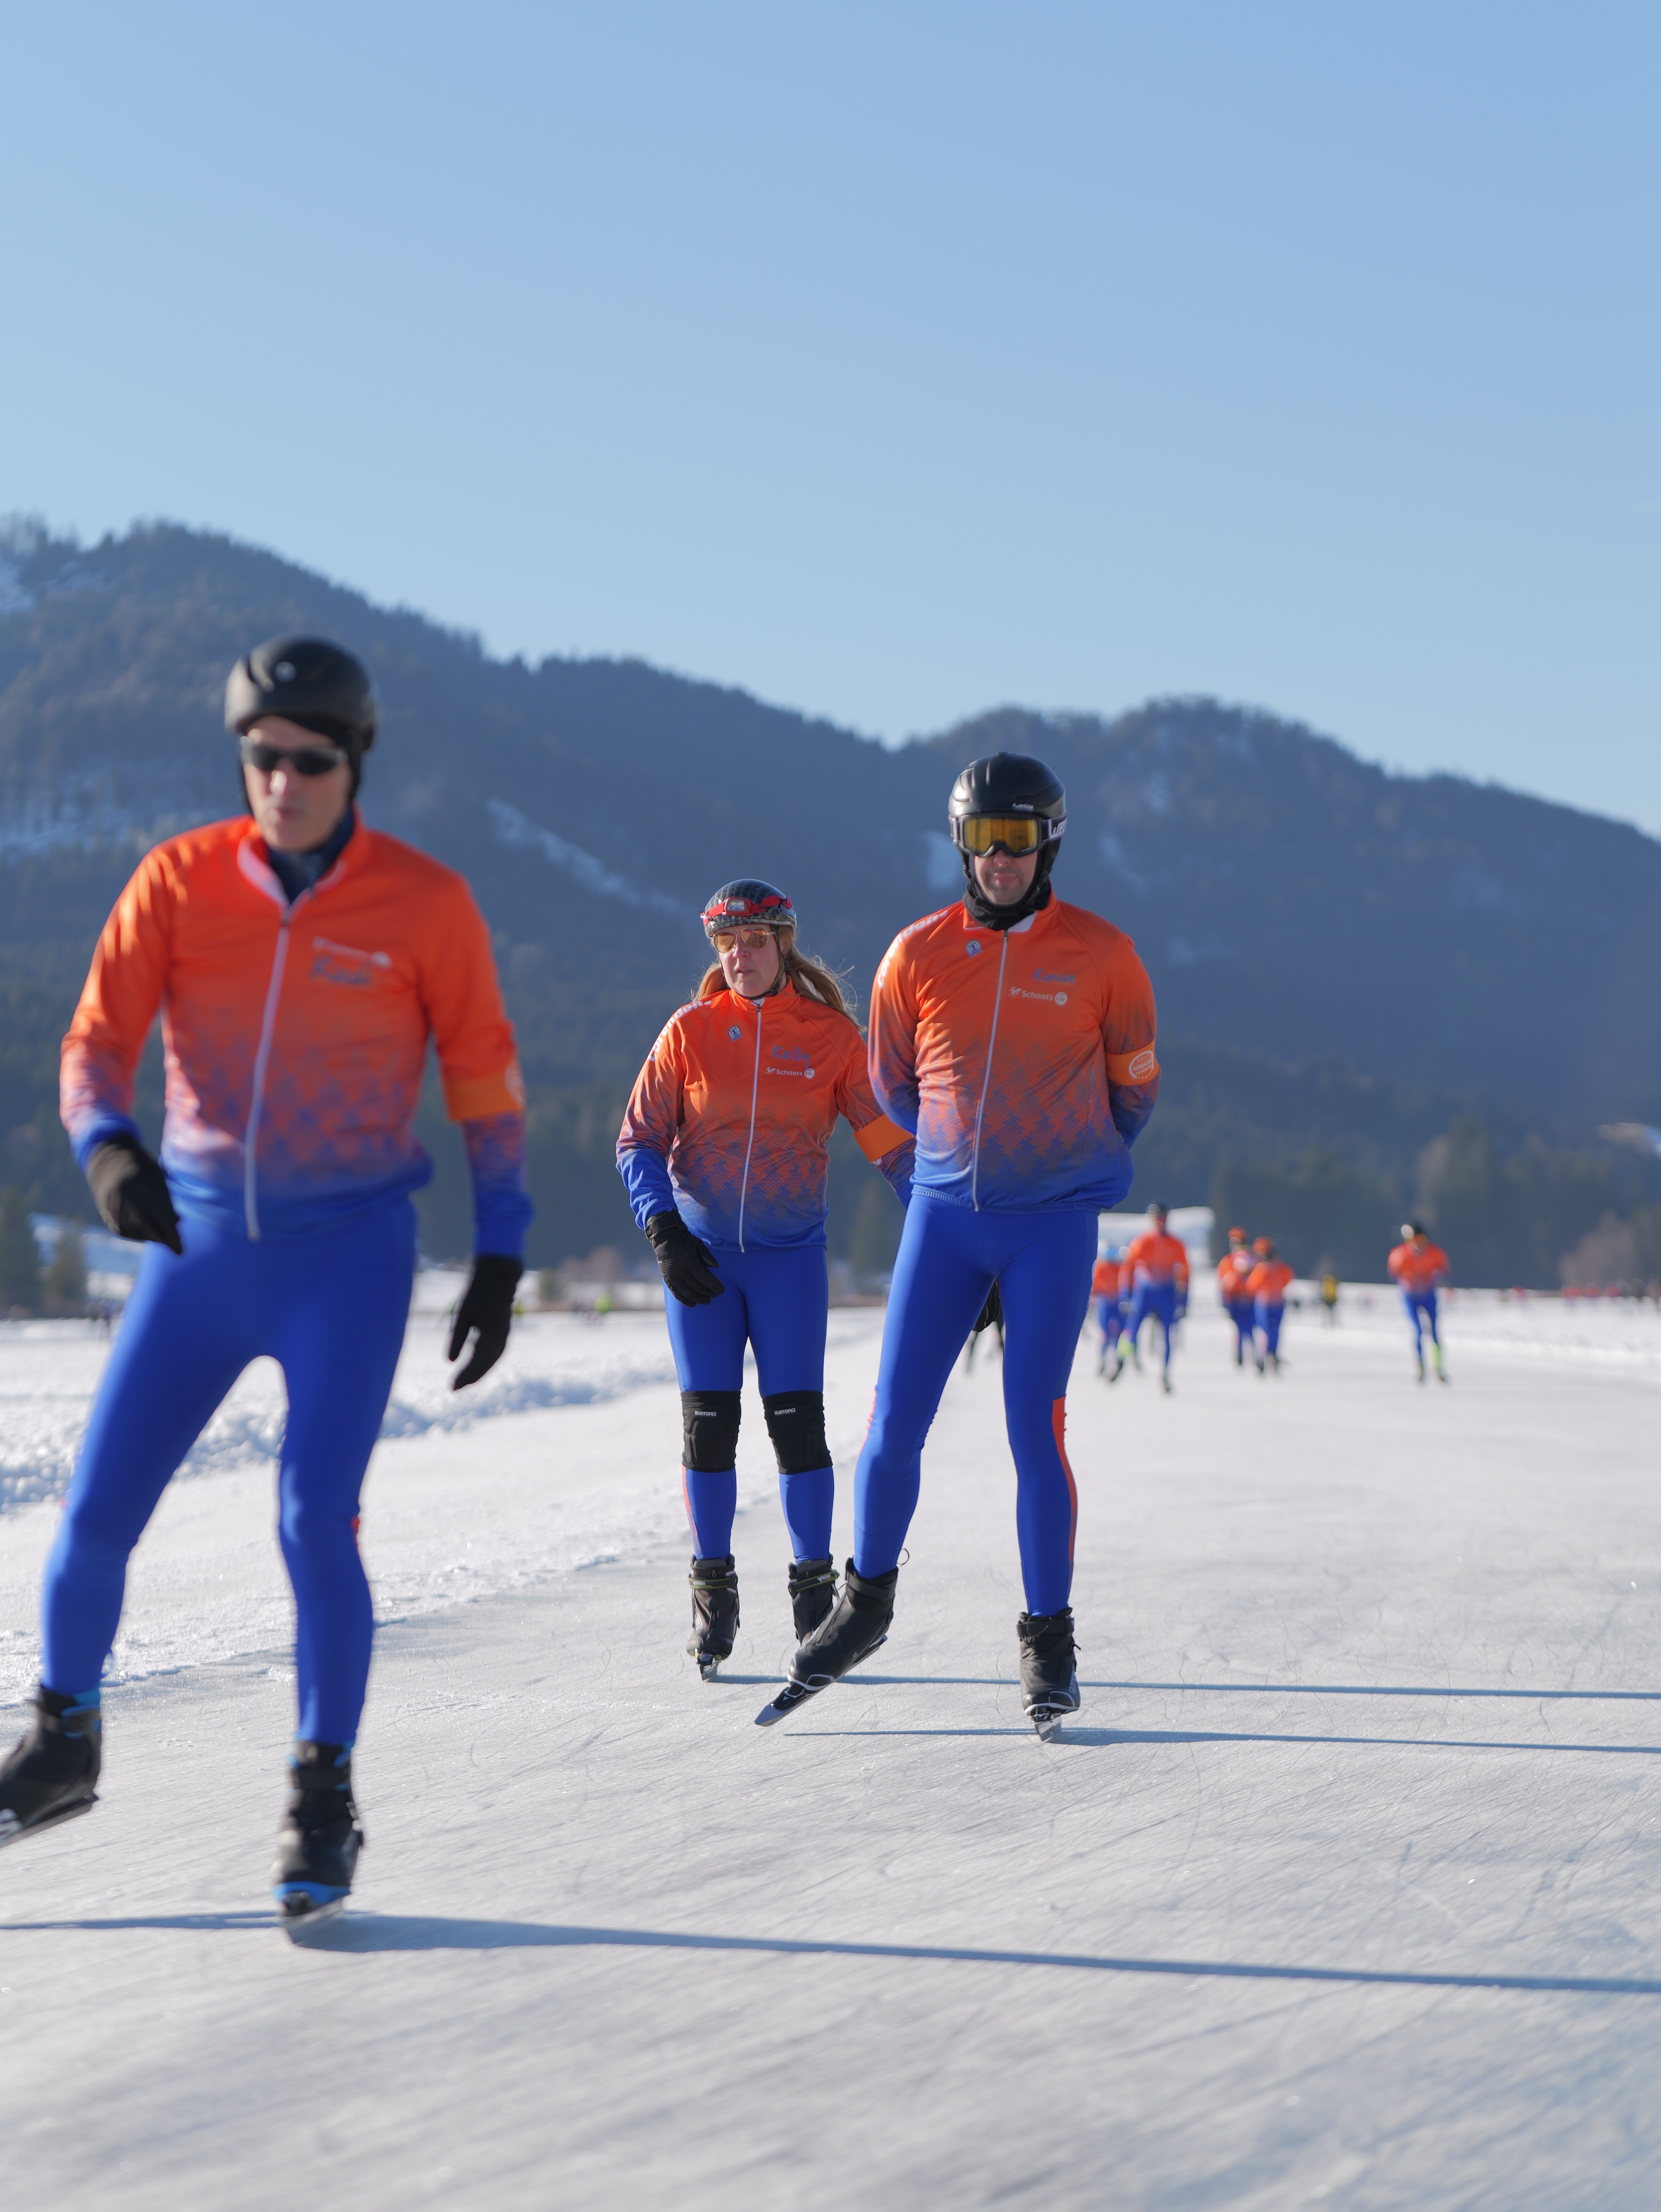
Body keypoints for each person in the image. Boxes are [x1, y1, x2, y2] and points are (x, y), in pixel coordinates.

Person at [0, 636, 530, 1923]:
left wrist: (503, 1248)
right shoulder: (177, 882)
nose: (282, 782)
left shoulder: (426, 904)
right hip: (198, 1251)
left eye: (309, 760)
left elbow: (484, 1086)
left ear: (354, 763)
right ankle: (64, 1739)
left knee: (311, 1518)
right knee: (93, 1512)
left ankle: (323, 1792)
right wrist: (107, 1149)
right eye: (260, 758)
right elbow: (92, 1046)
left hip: (346, 1260)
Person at [757, 753, 1160, 1739]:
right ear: (960, 846)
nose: (998, 860)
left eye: (1016, 839)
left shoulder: (1105, 956)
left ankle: (1047, 1639)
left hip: (1052, 1227)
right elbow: (893, 1088)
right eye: (981, 840)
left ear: (1049, 842)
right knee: (892, 1423)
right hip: (943, 1220)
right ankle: (866, 1603)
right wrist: (955, 1150)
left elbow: (1134, 1093)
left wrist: (1053, 1160)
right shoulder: (914, 956)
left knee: (1036, 1429)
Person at [616, 881, 913, 1679]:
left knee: (797, 1428)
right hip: (703, 1263)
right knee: (708, 1428)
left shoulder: (832, 1038)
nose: (738, 958)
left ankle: (814, 1593)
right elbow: (637, 1140)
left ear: (784, 943)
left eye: (753, 942)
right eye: (726, 945)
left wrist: (943, 1227)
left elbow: (891, 1146)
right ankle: (713, 1587)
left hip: (787, 1265)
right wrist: (663, 1227)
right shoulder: (689, 1032)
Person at [1119, 1204, 1188, 1393]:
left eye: (1163, 1218)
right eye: (1157, 1218)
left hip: (1166, 1292)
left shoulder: (1176, 1244)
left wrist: (1184, 1301)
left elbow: (1185, 1273)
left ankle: (1165, 1374)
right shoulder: (1143, 1241)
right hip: (1145, 1291)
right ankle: (1120, 1361)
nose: (1160, 1222)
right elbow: (1128, 1267)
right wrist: (1125, 1294)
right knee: (1131, 1330)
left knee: (1167, 1335)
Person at [1388, 1222, 1450, 1382]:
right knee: (1418, 1330)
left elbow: (1443, 1269)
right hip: (1411, 1296)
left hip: (1429, 1294)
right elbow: (1394, 1272)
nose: (1418, 1244)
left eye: (1421, 1240)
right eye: (1414, 1240)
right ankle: (1421, 1367)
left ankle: (1438, 1367)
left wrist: (1435, 1276)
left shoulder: (1435, 1253)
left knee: (1435, 1332)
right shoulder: (1400, 1255)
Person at [1247, 1237, 1296, 1373]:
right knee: (1269, 1330)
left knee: (1269, 1331)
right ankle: (1267, 1355)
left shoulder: (1268, 1269)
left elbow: (1252, 1286)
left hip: (1270, 1302)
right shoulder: (1269, 1269)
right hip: (1272, 1302)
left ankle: (1269, 1354)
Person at [1215, 1225, 1257, 1368]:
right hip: (1236, 1299)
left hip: (1249, 1299)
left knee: (1250, 1328)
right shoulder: (1228, 1261)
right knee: (1239, 1329)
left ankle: (1254, 1355)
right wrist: (1226, 1302)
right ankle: (1239, 1355)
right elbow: (1223, 1282)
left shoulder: (1252, 1259)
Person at [1090, 1244, 1124, 1378]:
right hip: (1105, 1301)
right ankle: (1102, 1360)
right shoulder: (1102, 1267)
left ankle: (1116, 1357)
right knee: (1104, 1332)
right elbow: (1095, 1284)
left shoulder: (1119, 1268)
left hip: (1116, 1302)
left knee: (1118, 1332)